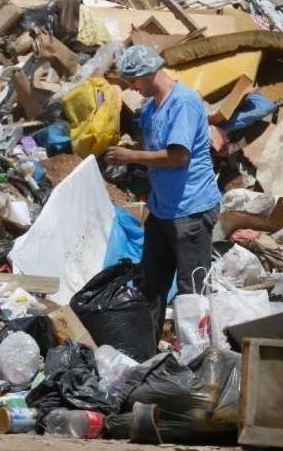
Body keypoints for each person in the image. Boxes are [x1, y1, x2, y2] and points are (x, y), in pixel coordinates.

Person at [105, 45, 221, 343]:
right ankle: (145, 352)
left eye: (133, 81)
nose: (132, 87)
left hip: (190, 210)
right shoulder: (152, 107)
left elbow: (177, 156)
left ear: (147, 74)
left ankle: (195, 360)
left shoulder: (183, 103)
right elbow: (151, 146)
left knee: (191, 290)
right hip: (162, 209)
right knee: (151, 284)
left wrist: (131, 157)